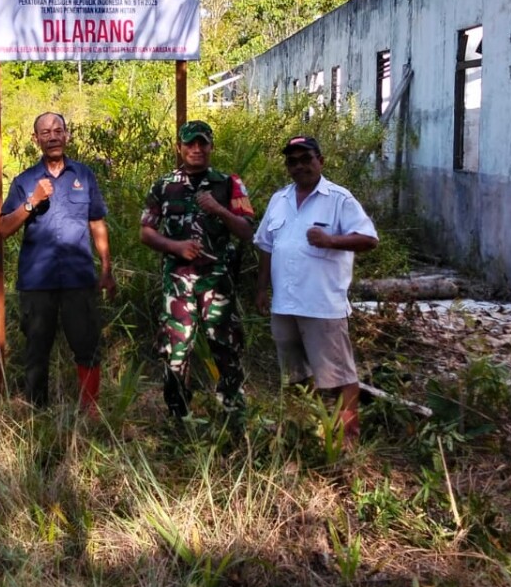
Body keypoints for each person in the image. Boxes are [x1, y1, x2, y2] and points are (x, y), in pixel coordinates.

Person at [254, 135, 379, 445]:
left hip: (322, 306)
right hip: (284, 305)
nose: (299, 166)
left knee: (339, 378)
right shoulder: (279, 200)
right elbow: (266, 247)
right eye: (292, 161)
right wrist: (261, 290)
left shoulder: (339, 199)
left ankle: (347, 442)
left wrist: (331, 240)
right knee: (294, 376)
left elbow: (369, 239)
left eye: (305, 159)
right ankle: (302, 433)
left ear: (320, 161)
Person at [0, 112, 116, 413]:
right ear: (35, 139)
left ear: (67, 135)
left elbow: (97, 222)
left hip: (78, 278)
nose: (52, 136)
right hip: (37, 281)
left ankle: (90, 411)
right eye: (45, 132)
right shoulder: (25, 181)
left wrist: (106, 268)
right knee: (37, 349)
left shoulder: (84, 175)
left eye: (58, 130)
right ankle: (38, 413)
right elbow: (2, 228)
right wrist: (32, 201)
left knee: (87, 346)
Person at [140, 120, 255, 420]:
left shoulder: (229, 183)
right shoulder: (164, 186)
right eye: (190, 143)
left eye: (202, 143)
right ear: (179, 147)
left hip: (217, 282)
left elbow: (246, 232)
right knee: (176, 348)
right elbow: (146, 232)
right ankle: (179, 413)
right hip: (178, 282)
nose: (196, 149)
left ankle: (234, 412)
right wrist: (175, 247)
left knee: (226, 345)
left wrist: (218, 209)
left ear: (211, 146)